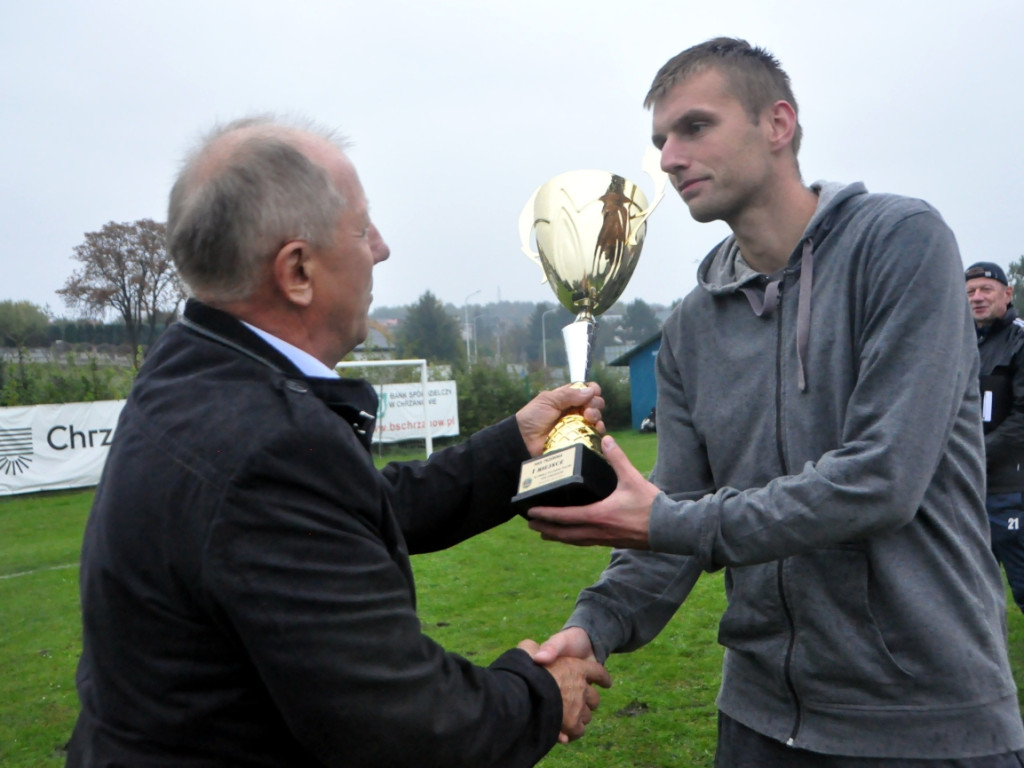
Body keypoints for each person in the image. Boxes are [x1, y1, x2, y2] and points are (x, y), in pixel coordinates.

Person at [526, 38, 1024, 765]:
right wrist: (594, 624)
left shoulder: (899, 244)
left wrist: (667, 519)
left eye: (694, 127)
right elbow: (677, 512)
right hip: (759, 722)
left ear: (778, 124)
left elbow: (881, 480)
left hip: (923, 719)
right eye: (660, 140)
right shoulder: (693, 326)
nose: (668, 158)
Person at [65, 116, 612, 768]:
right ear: (297, 270)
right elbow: (404, 724)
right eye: (361, 228)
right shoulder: (270, 445)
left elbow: (356, 506)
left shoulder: (193, 374)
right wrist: (540, 692)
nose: (380, 248)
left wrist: (515, 445)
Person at [966, 260, 1024, 614]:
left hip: (1011, 488)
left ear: (1007, 292)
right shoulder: (959, 341)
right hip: (969, 487)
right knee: (971, 590)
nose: (977, 297)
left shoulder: (1020, 340)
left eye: (986, 289)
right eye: (970, 291)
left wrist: (975, 453)